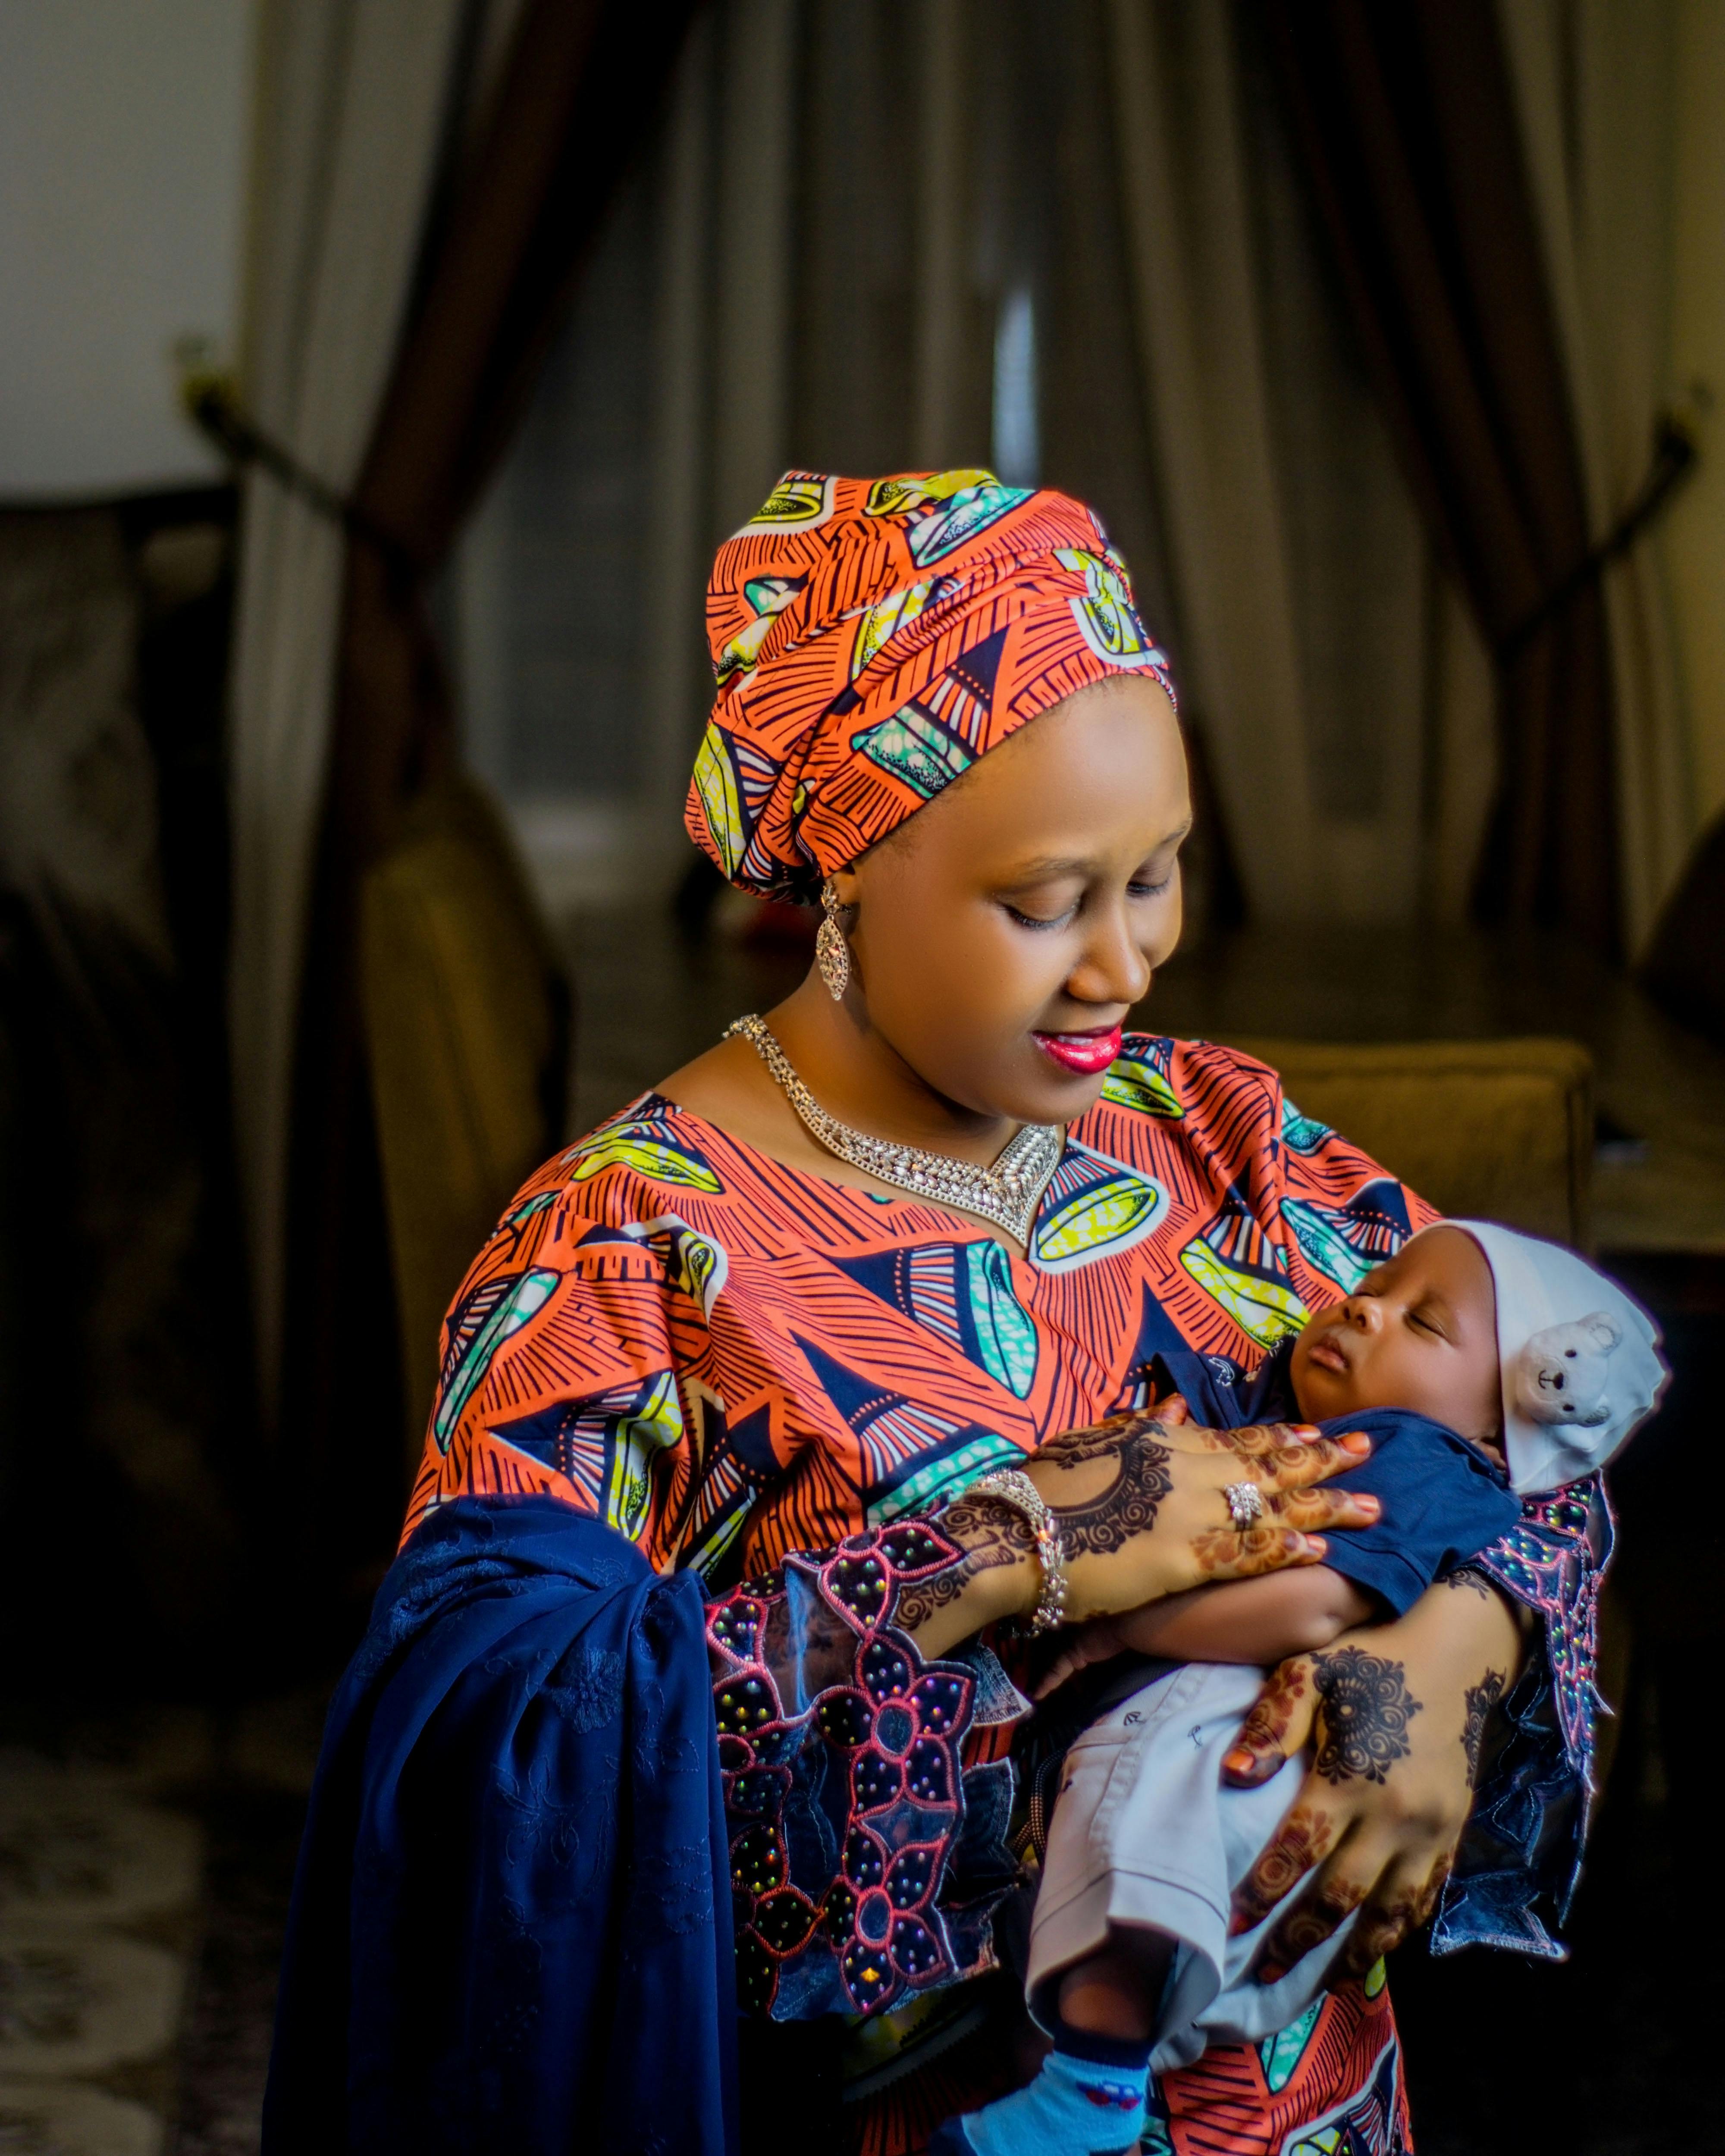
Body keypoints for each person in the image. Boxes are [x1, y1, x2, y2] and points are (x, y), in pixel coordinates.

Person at [265, 471, 1604, 2156]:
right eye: (1045, 903)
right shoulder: (626, 1258)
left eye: (1160, 874)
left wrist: (1457, 1643)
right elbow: (497, 1772)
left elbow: (1546, 1425)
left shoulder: (1222, 1139)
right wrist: (1010, 1541)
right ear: (844, 873)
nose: (1123, 967)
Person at [935, 1223, 1664, 2156]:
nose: (1363, 1306)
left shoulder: (1422, 1461)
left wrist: (1119, 1623)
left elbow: (1315, 1605)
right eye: (1376, 1285)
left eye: (1422, 1323)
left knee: (1143, 1838)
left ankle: (1091, 2085)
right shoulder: (1300, 1400)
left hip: (1229, 1712)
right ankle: (1076, 2069)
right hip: (1154, 1725)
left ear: (1495, 1430)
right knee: (1102, 1880)